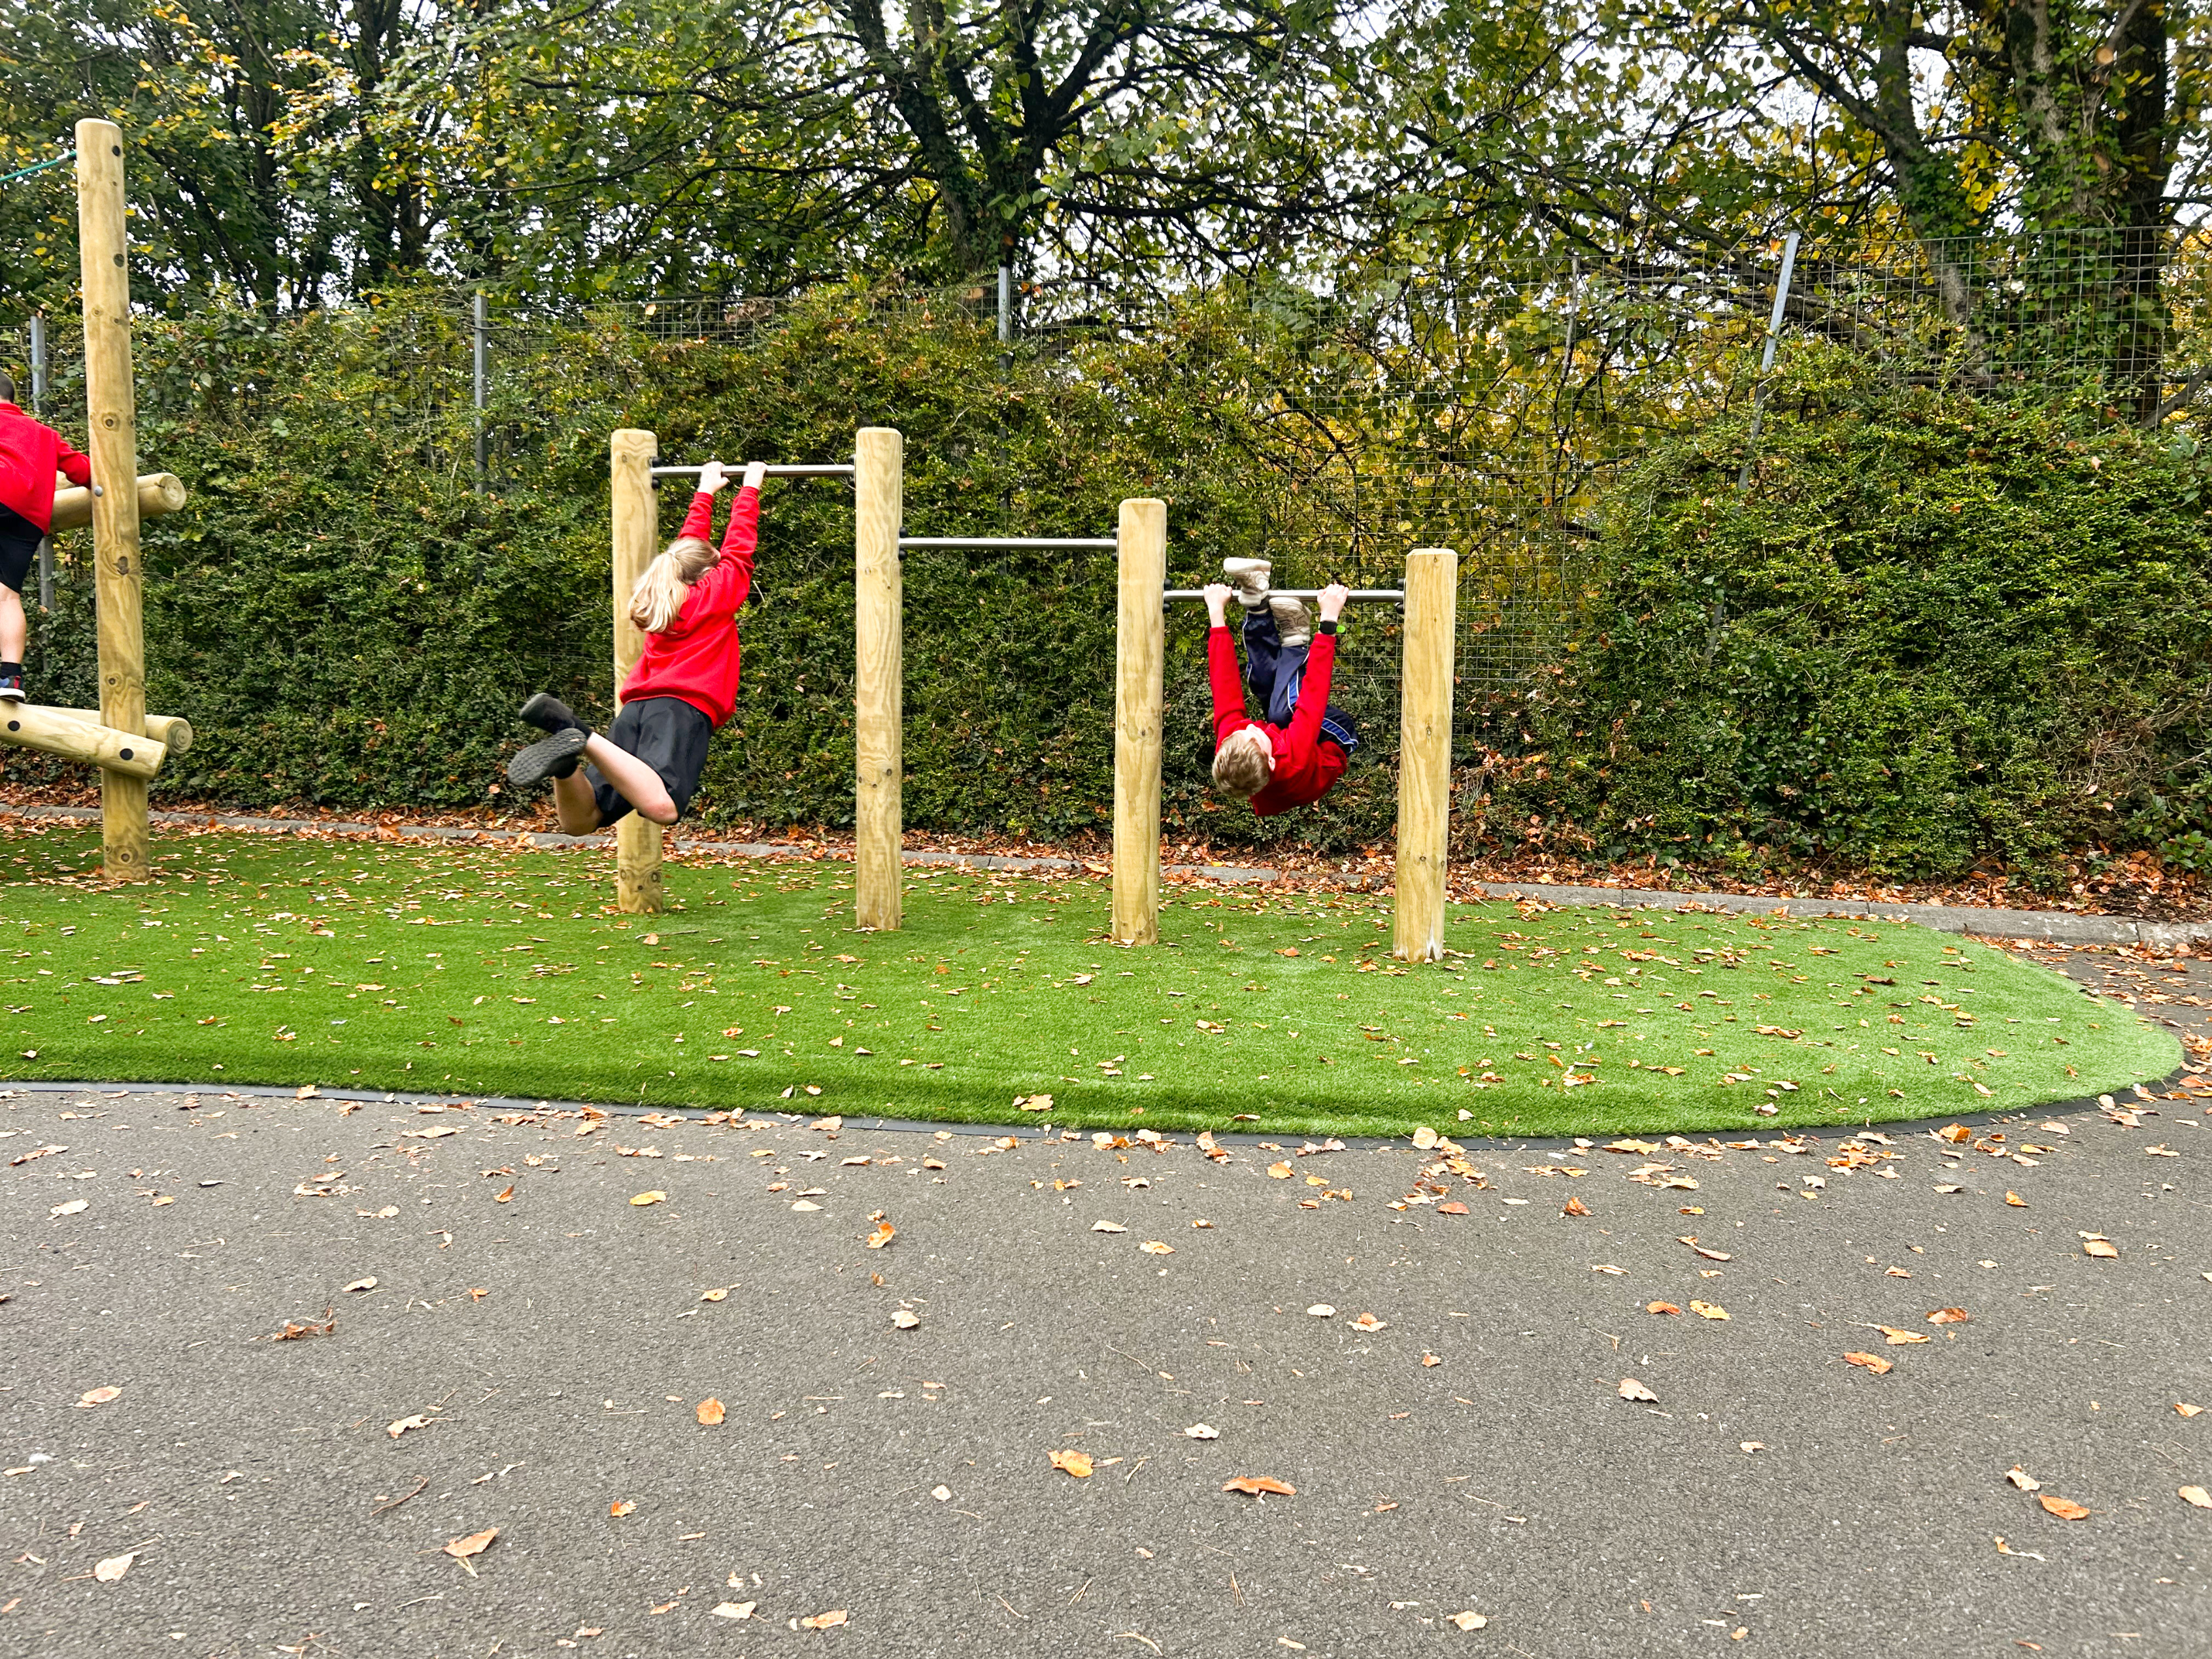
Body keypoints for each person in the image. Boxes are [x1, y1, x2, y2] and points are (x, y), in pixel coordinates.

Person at [506, 459, 766, 831]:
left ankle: (565, 768)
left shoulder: (665, 601)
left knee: (584, 821)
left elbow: (691, 551)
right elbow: (738, 550)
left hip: (637, 711)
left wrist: (705, 493)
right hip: (680, 711)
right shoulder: (712, 599)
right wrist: (750, 489)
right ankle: (579, 731)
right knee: (664, 808)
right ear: (709, 575)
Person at [1204, 559, 1358, 815]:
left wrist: (1216, 615)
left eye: (1239, 734)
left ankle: (1257, 605)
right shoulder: (1293, 759)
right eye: (1254, 735)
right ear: (1272, 760)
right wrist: (1329, 620)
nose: (1251, 726)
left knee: (1262, 685)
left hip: (1284, 742)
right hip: (1332, 743)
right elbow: (1313, 697)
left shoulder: (1232, 741)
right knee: (1282, 711)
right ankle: (1296, 640)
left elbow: (1224, 686)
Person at [0, 373, 94, 703]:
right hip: (28, 520)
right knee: (6, 597)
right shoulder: (45, 434)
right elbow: (83, 471)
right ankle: (9, 677)